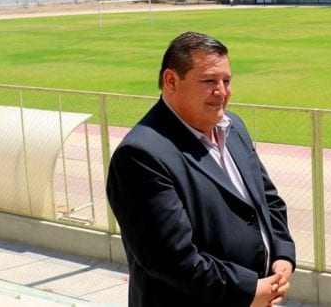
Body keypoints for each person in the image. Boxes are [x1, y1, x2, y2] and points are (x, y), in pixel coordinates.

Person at [106, 31, 295, 307]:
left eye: (227, 81)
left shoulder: (234, 126)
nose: (222, 91)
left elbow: (267, 200)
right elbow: (172, 258)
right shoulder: (140, 155)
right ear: (171, 81)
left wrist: (282, 254)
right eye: (209, 81)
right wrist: (247, 291)